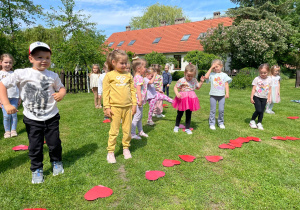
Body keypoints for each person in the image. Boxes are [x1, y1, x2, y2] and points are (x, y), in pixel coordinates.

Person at [0, 41, 66, 184]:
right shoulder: (22, 73)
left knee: (54, 143)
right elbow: (2, 85)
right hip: (32, 118)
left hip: (52, 116)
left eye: (47, 57)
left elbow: (61, 87)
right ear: (31, 59)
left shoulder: (52, 75)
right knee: (35, 146)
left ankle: (56, 162)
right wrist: (5, 103)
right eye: (39, 57)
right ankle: (37, 169)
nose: (44, 61)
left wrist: (61, 93)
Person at [103, 49, 137, 163]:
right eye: (121, 63)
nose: (124, 65)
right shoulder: (109, 76)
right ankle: (111, 151)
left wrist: (134, 104)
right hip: (115, 108)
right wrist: (107, 107)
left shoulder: (129, 75)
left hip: (128, 108)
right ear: (113, 62)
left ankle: (126, 148)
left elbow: (133, 91)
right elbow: (106, 93)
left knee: (127, 130)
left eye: (125, 63)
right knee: (114, 130)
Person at [173, 64, 204, 134]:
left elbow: (198, 87)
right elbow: (175, 87)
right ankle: (176, 126)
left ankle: (187, 128)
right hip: (182, 99)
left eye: (191, 76)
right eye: (188, 75)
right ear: (185, 73)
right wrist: (177, 93)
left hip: (191, 99)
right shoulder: (181, 80)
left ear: (194, 75)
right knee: (180, 113)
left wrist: (201, 81)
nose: (190, 77)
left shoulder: (194, 80)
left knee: (188, 114)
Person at [204, 59, 232, 130]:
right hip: (213, 95)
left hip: (221, 96)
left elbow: (226, 84)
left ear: (221, 66)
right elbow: (206, 77)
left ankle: (221, 123)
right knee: (212, 110)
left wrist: (227, 93)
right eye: (214, 67)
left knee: (221, 110)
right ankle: (212, 123)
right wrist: (211, 68)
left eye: (217, 66)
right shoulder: (212, 74)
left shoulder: (224, 75)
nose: (215, 68)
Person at [0, 54, 20, 138]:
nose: (8, 64)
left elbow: (19, 86)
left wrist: (20, 98)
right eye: (6, 62)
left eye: (10, 62)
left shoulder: (14, 74)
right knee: (6, 115)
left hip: (14, 97)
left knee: (14, 115)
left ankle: (13, 130)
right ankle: (7, 131)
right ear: (1, 62)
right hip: (4, 99)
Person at [249, 63, 272, 130]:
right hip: (256, 96)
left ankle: (259, 123)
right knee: (258, 110)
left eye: (265, 73)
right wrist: (251, 97)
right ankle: (252, 121)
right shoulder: (257, 79)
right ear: (259, 72)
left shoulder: (269, 80)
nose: (263, 74)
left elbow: (270, 90)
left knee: (261, 111)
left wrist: (268, 98)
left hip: (264, 97)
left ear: (268, 72)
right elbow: (253, 89)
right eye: (261, 73)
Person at [131, 57, 148, 140]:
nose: (145, 69)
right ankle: (132, 133)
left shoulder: (138, 77)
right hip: (138, 101)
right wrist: (140, 100)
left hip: (139, 101)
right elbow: (138, 90)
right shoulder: (139, 78)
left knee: (139, 117)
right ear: (138, 68)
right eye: (144, 67)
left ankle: (140, 131)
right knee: (136, 117)